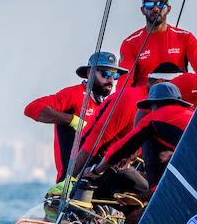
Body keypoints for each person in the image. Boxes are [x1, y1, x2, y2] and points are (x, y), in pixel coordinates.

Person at [24, 51, 127, 183]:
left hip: (97, 175)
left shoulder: (108, 104)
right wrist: (73, 120)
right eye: (106, 74)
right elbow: (31, 108)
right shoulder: (73, 94)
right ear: (90, 73)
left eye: (115, 75)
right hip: (70, 180)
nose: (111, 80)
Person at [84, 82, 193, 193]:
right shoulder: (191, 114)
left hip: (185, 173)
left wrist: (96, 171)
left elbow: (123, 147)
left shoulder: (155, 117)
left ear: (155, 103)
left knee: (147, 140)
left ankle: (154, 192)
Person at [116, 0, 197, 89]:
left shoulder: (185, 37)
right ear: (142, 10)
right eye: (149, 4)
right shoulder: (130, 43)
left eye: (161, 4)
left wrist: (185, 81)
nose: (156, 8)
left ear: (168, 9)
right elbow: (123, 87)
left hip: (178, 99)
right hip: (145, 102)